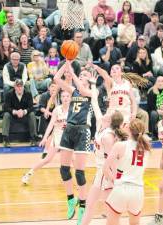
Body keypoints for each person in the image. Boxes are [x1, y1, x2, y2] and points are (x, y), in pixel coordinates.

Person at [81, 76, 127, 225]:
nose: (108, 109)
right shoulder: (101, 123)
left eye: (111, 111)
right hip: (100, 172)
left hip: (106, 173)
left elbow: (112, 161)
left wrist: (114, 180)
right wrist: (93, 84)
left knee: (109, 210)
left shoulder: (108, 136)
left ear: (111, 119)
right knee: (91, 204)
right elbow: (94, 101)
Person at [53, 62, 93, 225]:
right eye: (80, 75)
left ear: (89, 79)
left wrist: (74, 74)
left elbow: (83, 90)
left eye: (84, 75)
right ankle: (71, 199)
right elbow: (56, 78)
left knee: (79, 173)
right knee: (63, 170)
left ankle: (83, 206)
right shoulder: (72, 90)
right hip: (69, 130)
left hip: (83, 131)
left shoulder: (91, 91)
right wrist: (66, 64)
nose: (81, 76)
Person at [104, 118, 151, 225]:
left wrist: (113, 180)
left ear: (129, 130)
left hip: (121, 188)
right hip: (138, 191)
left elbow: (105, 168)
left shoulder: (120, 145)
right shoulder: (146, 148)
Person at [21, 90, 71, 185]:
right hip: (57, 138)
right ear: (60, 98)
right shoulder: (57, 110)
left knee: (69, 160)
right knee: (47, 159)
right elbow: (51, 125)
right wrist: (44, 138)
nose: (65, 98)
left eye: (67, 96)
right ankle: (28, 173)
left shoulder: (73, 110)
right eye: (63, 96)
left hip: (68, 139)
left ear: (70, 98)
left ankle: (69, 179)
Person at [2, 79, 38, 147]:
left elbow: (31, 107)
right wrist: (15, 112)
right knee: (6, 115)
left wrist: (24, 112)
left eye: (21, 86)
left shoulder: (28, 93)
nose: (19, 88)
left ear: (23, 87)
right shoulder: (9, 94)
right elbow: (6, 107)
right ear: (14, 87)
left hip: (25, 116)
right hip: (13, 116)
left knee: (32, 114)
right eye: (18, 86)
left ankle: (33, 138)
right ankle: (5, 139)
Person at [146, 76, 163, 140]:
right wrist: (157, 110)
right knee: (154, 114)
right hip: (155, 110)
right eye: (158, 81)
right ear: (156, 82)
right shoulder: (151, 91)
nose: (160, 83)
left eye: (162, 81)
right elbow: (150, 105)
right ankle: (154, 135)